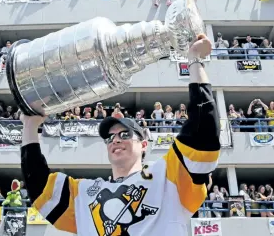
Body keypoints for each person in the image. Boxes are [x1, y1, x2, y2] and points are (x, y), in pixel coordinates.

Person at [20, 34, 220, 235]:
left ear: (143, 145)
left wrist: (194, 60)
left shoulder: (167, 177)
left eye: (125, 134)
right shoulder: (85, 194)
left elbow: (203, 133)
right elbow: (41, 189)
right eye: (110, 137)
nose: (115, 139)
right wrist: (30, 125)